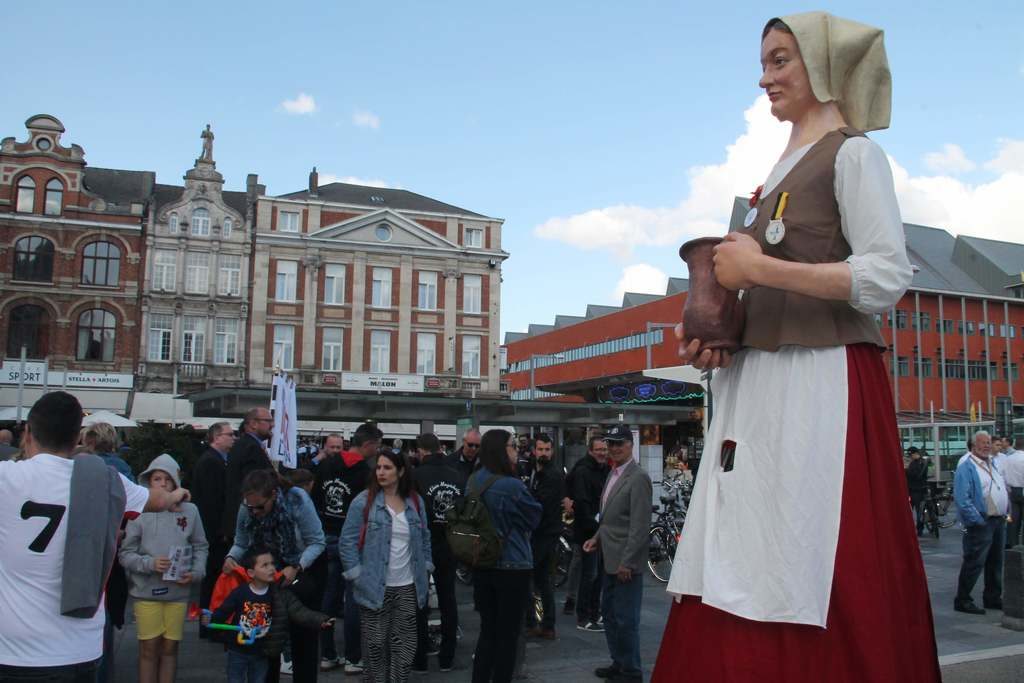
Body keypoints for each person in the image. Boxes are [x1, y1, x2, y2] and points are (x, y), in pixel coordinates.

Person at [652, 12, 941, 682]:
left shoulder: (854, 154)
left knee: (811, 544)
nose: (766, 77)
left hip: (822, 384)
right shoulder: (770, 180)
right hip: (757, 389)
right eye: (765, 62)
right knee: (744, 542)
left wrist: (761, 272)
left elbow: (885, 275)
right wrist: (719, 335)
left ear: (824, 66)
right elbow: (763, 293)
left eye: (781, 60)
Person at [0, 391, 189, 682]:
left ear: (27, 433)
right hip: (77, 649)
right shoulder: (107, 481)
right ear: (77, 437)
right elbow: (158, 500)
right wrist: (177, 493)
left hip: (12, 651)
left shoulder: (6, 478)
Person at [339, 451, 433, 683]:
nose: (381, 472)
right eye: (379, 467)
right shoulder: (364, 501)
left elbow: (424, 536)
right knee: (375, 645)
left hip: (408, 585)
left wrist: (427, 566)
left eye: (388, 467)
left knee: (406, 644)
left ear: (400, 471)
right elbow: (347, 541)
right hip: (374, 585)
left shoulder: (415, 501)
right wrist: (357, 575)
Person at [224, 469, 326, 682]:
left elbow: (317, 541)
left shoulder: (297, 499)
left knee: (303, 636)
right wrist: (231, 557)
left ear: (273, 494)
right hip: (265, 573)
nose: (255, 512)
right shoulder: (247, 507)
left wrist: (296, 566)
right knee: (266, 638)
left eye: (259, 507)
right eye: (250, 507)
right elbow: (241, 541)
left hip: (301, 568)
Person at [119, 454, 209, 683]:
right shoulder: (139, 512)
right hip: (146, 591)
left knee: (170, 649)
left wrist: (196, 572)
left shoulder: (191, 511)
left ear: (175, 482)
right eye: (157, 479)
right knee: (148, 648)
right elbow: (125, 553)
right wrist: (149, 564)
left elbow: (200, 546)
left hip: (177, 592)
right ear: (149, 482)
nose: (162, 484)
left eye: (167, 479)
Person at [468, 429, 542, 683]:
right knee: (508, 634)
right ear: (502, 450)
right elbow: (534, 517)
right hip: (513, 564)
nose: (517, 450)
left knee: (488, 631)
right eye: (513, 446)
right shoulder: (511, 485)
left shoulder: (474, 480)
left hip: (482, 562)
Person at [581, 426, 651, 682]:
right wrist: (596, 538)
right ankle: (619, 663)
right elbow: (609, 519)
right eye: (610, 444)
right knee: (609, 615)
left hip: (625, 564)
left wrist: (628, 562)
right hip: (608, 559)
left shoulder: (638, 477)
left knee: (626, 619)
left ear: (630, 444)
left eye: (619, 443)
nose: (614, 448)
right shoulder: (613, 473)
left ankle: (632, 671)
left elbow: (639, 526)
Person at [207, 546, 334, 683]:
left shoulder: (280, 594)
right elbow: (224, 611)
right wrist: (210, 620)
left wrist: (321, 620)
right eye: (265, 565)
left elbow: (300, 611)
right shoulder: (240, 593)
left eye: (272, 564)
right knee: (235, 679)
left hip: (262, 651)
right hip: (238, 650)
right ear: (251, 573)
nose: (272, 568)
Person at [312, 426, 378, 675]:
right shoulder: (366, 472)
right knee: (352, 599)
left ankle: (327, 653)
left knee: (328, 596)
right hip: (355, 540)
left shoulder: (326, 466)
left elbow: (317, 498)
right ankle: (353, 657)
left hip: (328, 534)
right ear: (369, 444)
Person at [411, 432, 467, 672]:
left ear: (421, 451)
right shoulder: (458, 476)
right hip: (450, 542)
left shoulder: (415, 476)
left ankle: (420, 657)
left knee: (419, 601)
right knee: (448, 599)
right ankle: (447, 656)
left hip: (423, 542)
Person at [953, 430, 1010, 613]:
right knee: (974, 561)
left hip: (998, 520)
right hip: (982, 522)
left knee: (995, 561)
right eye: (982, 443)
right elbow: (963, 499)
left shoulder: (992, 462)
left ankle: (992, 597)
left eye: (988, 442)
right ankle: (963, 600)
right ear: (973, 445)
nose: (986, 445)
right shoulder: (967, 466)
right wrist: (977, 520)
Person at [193, 421, 236, 638]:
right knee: (212, 582)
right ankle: (208, 625)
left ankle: (210, 623)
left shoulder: (216, 460)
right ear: (217, 437)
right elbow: (211, 502)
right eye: (229, 434)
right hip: (213, 534)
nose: (233, 438)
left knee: (213, 581)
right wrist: (221, 532)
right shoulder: (211, 462)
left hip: (214, 532)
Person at [523, 433, 564, 640]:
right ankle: (545, 624)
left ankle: (536, 623)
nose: (544, 453)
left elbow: (540, 504)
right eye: (541, 449)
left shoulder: (552, 475)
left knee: (533, 577)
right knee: (541, 579)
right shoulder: (531, 470)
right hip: (540, 531)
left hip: (545, 532)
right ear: (534, 450)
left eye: (547, 450)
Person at [568, 436, 609, 631]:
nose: (602, 452)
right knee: (590, 575)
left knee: (598, 574)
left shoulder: (604, 469)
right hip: (588, 531)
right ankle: (583, 617)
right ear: (590, 451)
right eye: (598, 449)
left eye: (604, 449)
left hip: (600, 530)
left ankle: (595, 613)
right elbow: (582, 502)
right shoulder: (583, 470)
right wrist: (593, 529)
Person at [222, 408, 275, 542]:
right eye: (268, 421)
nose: (272, 424)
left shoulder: (243, 445)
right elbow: (256, 488)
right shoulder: (251, 448)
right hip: (249, 523)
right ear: (253, 424)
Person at [1004, 436, 1024, 548]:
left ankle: (1012, 544)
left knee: (1012, 520)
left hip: (1011, 492)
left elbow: (1004, 476)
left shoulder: (1008, 459)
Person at [905, 447, 929, 536]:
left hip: (918, 490)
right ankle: (917, 528)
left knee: (919, 511)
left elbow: (916, 475)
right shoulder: (916, 462)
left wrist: (906, 470)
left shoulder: (920, 463)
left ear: (915, 454)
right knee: (916, 510)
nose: (910, 457)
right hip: (913, 489)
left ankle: (919, 529)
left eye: (911, 455)